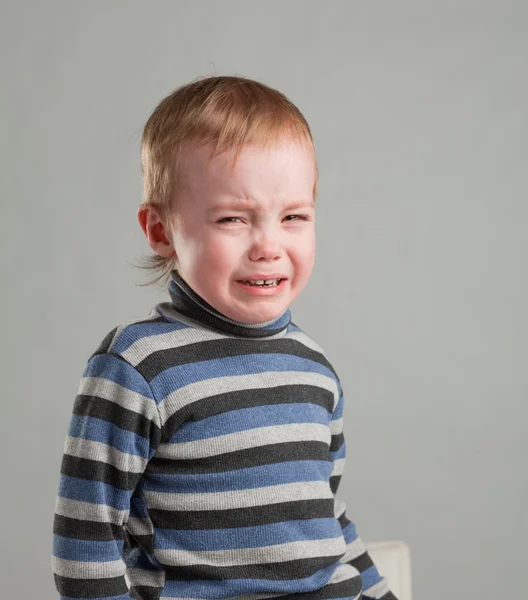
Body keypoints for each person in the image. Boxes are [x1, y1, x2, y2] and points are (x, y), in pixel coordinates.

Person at [52, 75, 398, 600]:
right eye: (233, 218)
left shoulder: (312, 366)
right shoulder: (138, 366)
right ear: (161, 231)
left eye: (293, 217)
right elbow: (87, 537)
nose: (269, 245)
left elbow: (326, 519)